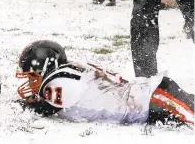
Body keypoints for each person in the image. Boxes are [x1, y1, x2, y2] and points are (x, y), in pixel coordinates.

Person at [16, 40, 194, 126]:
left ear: (48, 68)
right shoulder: (70, 69)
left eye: (32, 77)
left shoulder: (59, 83)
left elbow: (43, 110)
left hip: (151, 101)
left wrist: (24, 106)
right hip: (150, 97)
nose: (30, 84)